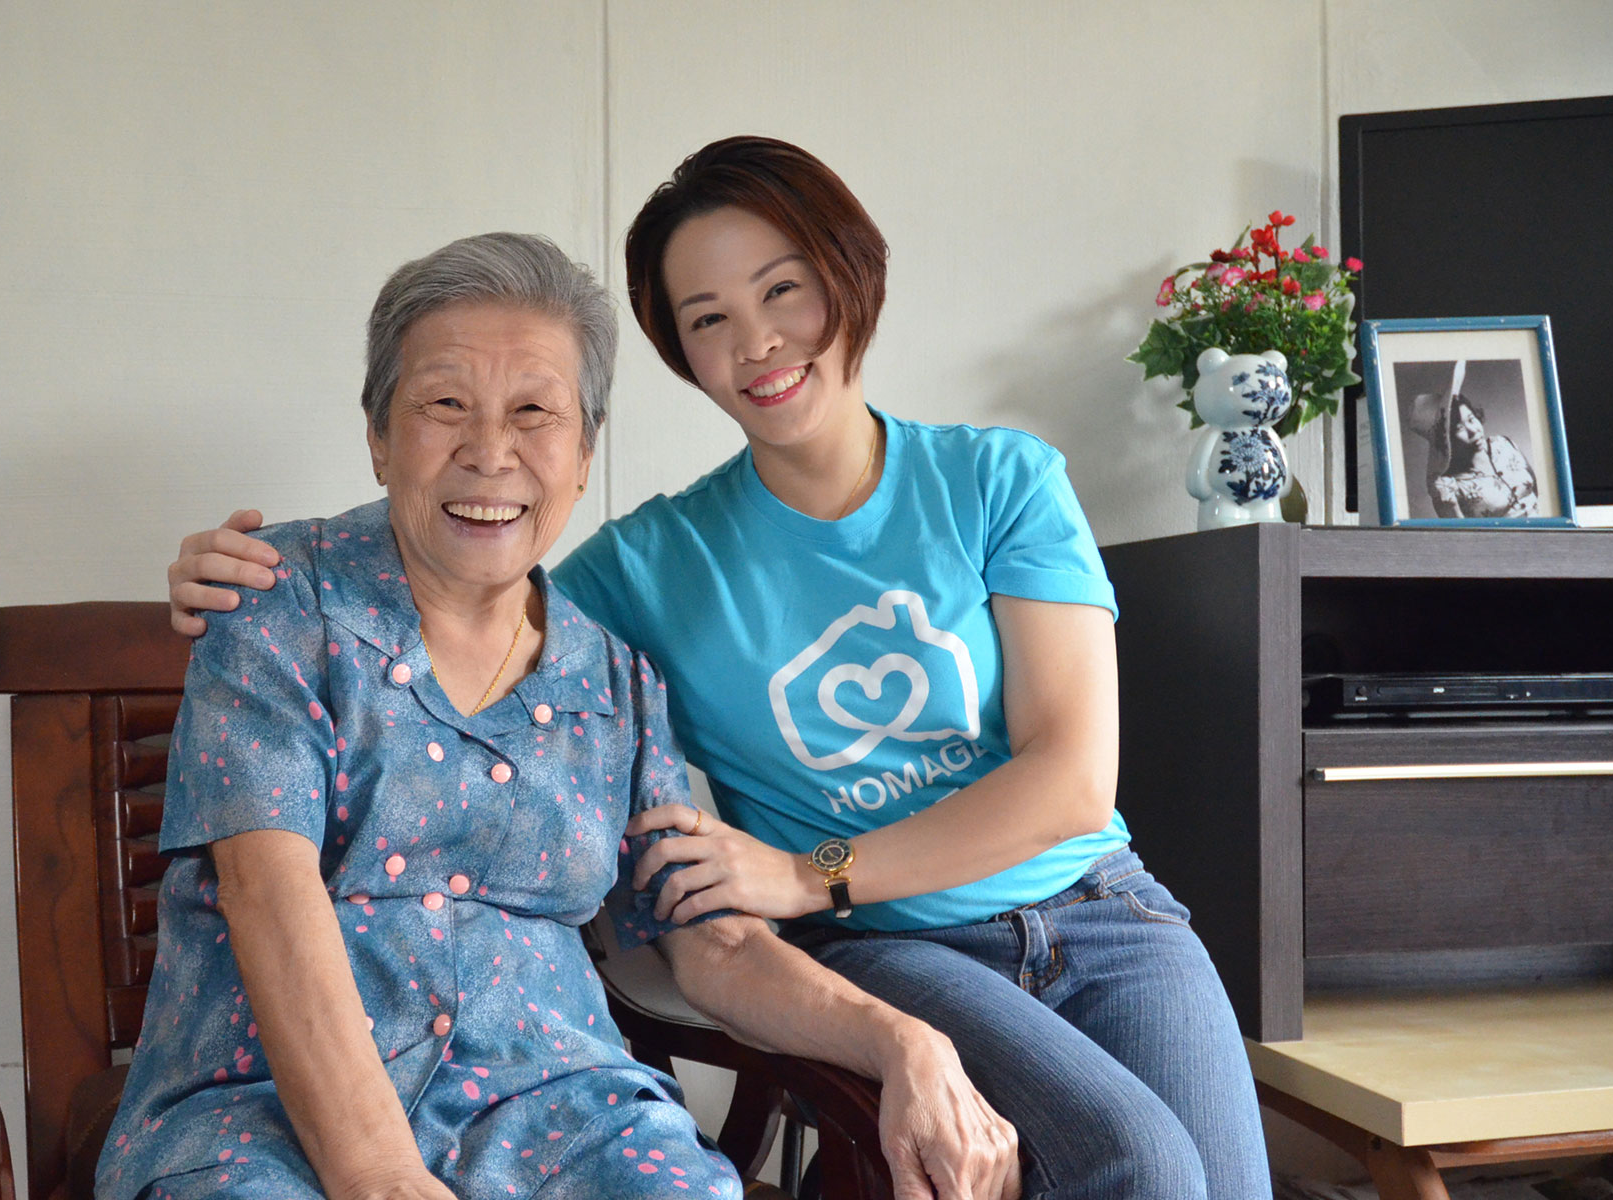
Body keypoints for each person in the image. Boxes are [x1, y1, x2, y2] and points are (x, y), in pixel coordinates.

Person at [167, 138, 1270, 1200]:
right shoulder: (637, 574)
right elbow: (470, 574)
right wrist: (240, 579)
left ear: (849, 278)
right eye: (708, 319)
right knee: (1143, 1167)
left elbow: (1071, 779)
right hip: (887, 946)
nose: (757, 343)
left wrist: (806, 873)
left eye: (783, 291)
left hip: (1100, 908)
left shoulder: (999, 480)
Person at [105, 230, 1019, 1200]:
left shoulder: (615, 681)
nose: (488, 452)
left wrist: (903, 1041)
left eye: (534, 412)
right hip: (265, 1118)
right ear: (378, 437)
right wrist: (380, 1175)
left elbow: (713, 945)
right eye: (444, 405)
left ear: (582, 455)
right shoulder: (278, 601)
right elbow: (266, 891)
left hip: (560, 1116)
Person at [1420, 384, 1538, 518]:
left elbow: (1536, 488)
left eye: (1471, 419)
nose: (1473, 430)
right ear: (1447, 440)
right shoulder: (1449, 486)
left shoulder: (1503, 443)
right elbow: (1460, 531)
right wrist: (1450, 506)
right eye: (1459, 428)